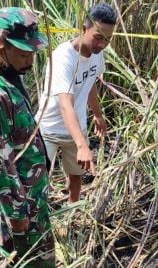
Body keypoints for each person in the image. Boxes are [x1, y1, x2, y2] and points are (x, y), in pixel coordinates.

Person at [0, 7, 74, 268]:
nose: (30, 60)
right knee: (36, 245)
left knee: (18, 248)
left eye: (33, 52)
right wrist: (17, 213)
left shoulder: (8, 72)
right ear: (1, 44)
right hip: (20, 194)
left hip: (29, 186)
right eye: (23, 54)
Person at [36, 3, 116, 203]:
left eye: (107, 39)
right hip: (49, 128)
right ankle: (39, 217)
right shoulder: (63, 58)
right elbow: (65, 104)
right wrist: (82, 145)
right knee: (38, 178)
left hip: (77, 127)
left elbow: (90, 84)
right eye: (98, 37)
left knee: (76, 174)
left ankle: (73, 211)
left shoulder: (98, 55)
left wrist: (97, 115)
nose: (102, 44)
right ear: (84, 29)